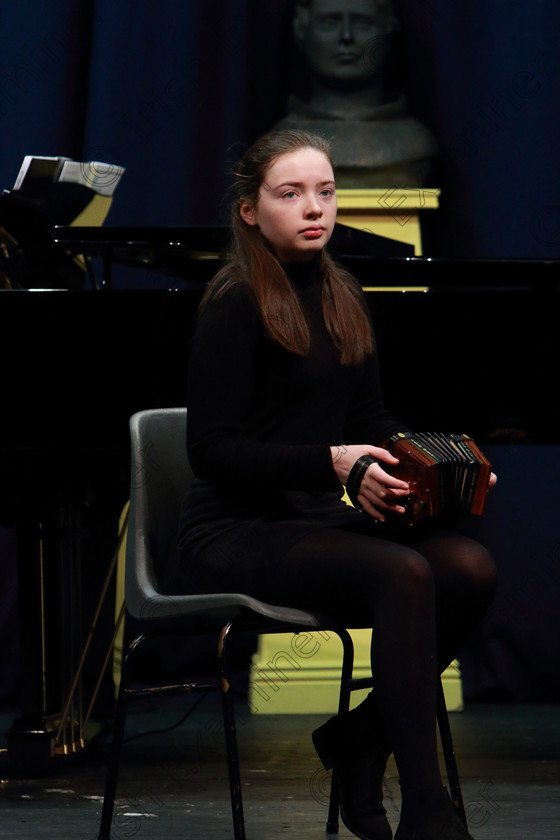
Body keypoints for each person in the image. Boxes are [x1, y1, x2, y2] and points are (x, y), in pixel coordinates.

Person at [177, 128, 498, 840]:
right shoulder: (233, 303)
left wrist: (437, 465)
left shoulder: (342, 291)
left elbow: (371, 419)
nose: (313, 207)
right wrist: (332, 462)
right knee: (403, 573)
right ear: (251, 211)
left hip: (315, 521)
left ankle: (357, 737)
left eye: (324, 192)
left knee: (468, 567)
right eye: (289, 194)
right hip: (233, 529)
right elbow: (212, 451)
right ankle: (426, 811)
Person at [273, 0, 438, 187]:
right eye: (329, 22)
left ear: (387, 31)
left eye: (362, 23)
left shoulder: (415, 142)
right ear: (302, 31)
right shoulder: (280, 141)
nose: (346, 36)